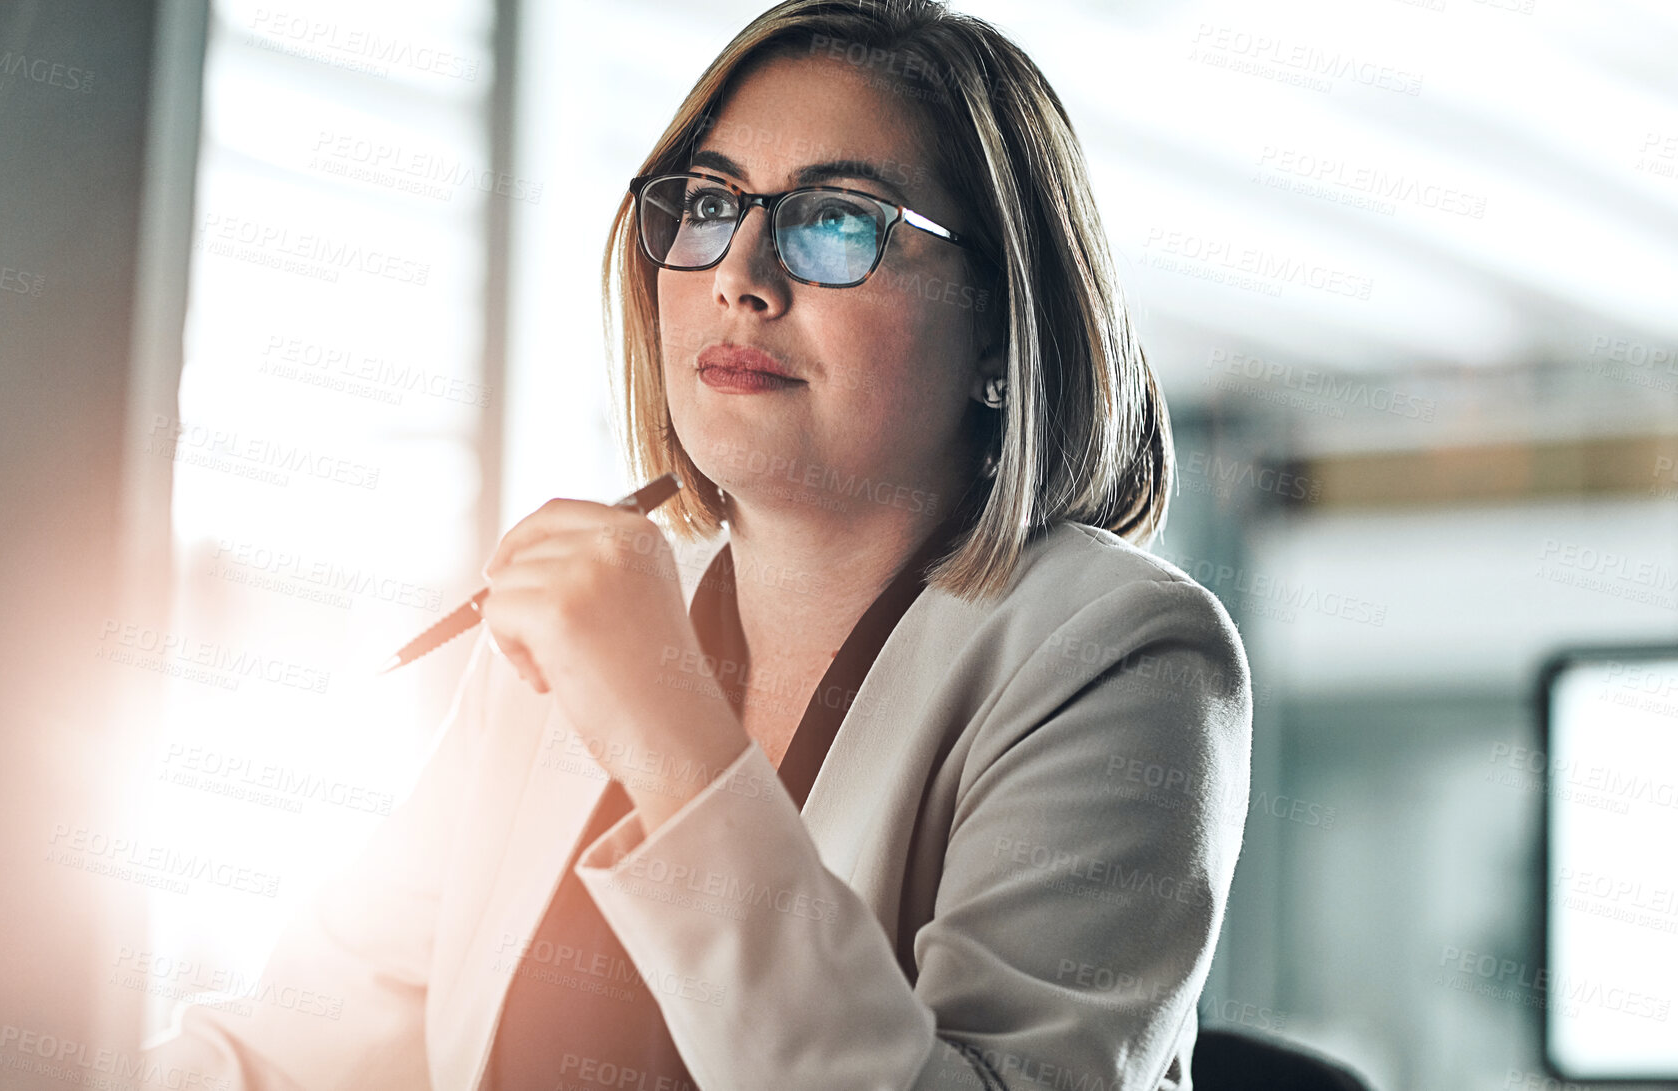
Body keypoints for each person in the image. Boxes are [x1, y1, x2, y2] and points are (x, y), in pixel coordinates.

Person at [142, 1, 1252, 1088]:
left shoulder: (1124, 651)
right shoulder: (591, 610)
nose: (739, 275)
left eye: (836, 220)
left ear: (1000, 332)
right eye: (710, 203)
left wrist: (664, 721)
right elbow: (305, 1044)